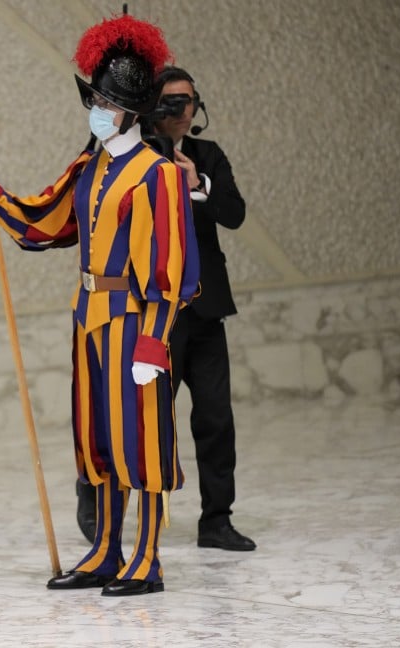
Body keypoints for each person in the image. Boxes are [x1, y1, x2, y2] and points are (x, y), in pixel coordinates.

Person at [0, 13, 200, 596]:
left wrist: (154, 342)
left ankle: (145, 559)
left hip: (135, 323)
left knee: (140, 440)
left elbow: (172, 271)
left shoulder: (159, 176)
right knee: (97, 439)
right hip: (89, 320)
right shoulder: (89, 167)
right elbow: (43, 222)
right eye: (93, 98)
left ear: (128, 111)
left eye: (104, 101)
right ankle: (105, 550)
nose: (95, 109)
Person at [147, 66, 255, 551]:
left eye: (187, 101)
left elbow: (233, 213)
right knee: (147, 421)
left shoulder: (207, 155)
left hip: (206, 309)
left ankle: (216, 520)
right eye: (169, 101)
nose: (180, 110)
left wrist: (199, 182)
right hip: (157, 313)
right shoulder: (138, 158)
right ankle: (115, 514)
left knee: (215, 417)